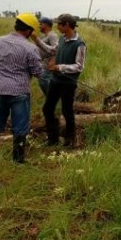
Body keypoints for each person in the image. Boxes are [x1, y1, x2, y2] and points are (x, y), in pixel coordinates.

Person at [0, 13, 43, 163]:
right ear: (29, 30)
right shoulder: (30, 49)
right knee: (20, 126)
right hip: (19, 92)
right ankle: (18, 159)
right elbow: (38, 72)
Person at [42, 13, 86, 147]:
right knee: (47, 109)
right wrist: (53, 60)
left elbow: (79, 66)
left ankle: (70, 140)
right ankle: (52, 139)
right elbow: (54, 51)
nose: (57, 26)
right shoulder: (61, 39)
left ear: (67, 25)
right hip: (55, 81)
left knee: (67, 111)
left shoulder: (80, 44)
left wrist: (59, 67)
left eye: (59, 24)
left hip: (68, 83)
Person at [31, 16, 59, 95]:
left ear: (46, 25)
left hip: (47, 63)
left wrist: (53, 60)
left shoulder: (52, 35)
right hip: (42, 62)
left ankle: (52, 98)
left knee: (44, 81)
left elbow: (56, 49)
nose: (39, 25)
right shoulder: (45, 36)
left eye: (41, 24)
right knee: (43, 81)